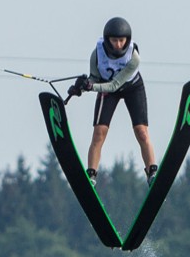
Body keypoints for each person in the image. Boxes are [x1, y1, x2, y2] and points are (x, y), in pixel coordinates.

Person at [67, 17, 157, 186]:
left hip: (132, 87)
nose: (118, 44)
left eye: (121, 40)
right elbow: (94, 78)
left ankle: (152, 172)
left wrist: (91, 87)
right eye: (114, 40)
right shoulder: (97, 53)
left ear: (127, 40)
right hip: (106, 88)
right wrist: (80, 87)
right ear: (107, 40)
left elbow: (114, 85)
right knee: (99, 132)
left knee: (142, 131)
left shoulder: (134, 57)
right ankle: (91, 176)